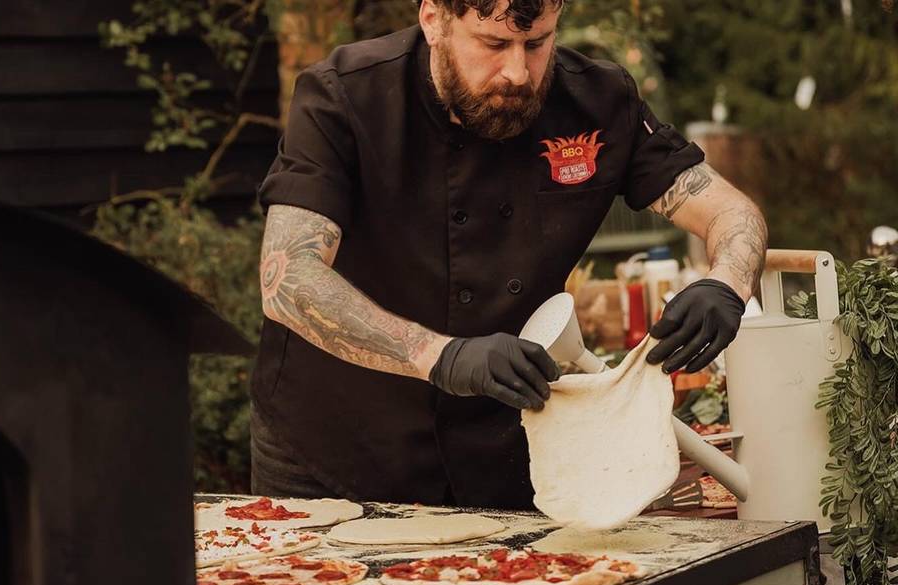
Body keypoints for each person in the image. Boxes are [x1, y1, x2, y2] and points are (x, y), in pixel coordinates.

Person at [251, 0, 767, 508]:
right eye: (494, 44)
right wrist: (441, 355)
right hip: (333, 453)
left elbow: (731, 212)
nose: (518, 72)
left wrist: (726, 282)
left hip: (502, 455)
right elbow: (288, 279)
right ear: (434, 19)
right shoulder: (345, 95)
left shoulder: (600, 101)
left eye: (537, 43)